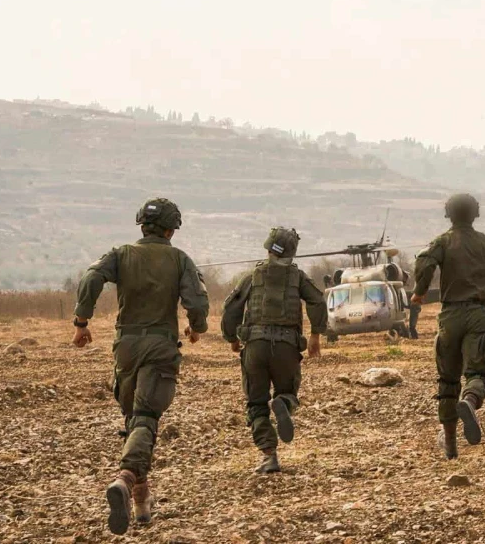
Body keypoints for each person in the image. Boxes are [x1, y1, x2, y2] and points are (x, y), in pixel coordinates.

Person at [72, 198, 209, 535]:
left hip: (126, 348)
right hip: (160, 347)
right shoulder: (180, 259)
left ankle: (142, 504)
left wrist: (81, 320)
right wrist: (197, 327)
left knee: (135, 421)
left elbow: (91, 277)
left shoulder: (120, 254)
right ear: (170, 228)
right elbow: (197, 302)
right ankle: (125, 478)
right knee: (147, 419)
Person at [411, 193, 485, 459]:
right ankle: (468, 402)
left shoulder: (442, 242)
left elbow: (424, 262)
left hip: (450, 315)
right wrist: (484, 287)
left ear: (448, 214)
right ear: (475, 213)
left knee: (447, 380)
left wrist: (419, 291)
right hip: (478, 313)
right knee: (476, 374)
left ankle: (450, 445)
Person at [221, 228, 326, 474]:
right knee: (288, 390)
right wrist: (315, 335)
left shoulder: (252, 276)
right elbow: (318, 301)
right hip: (287, 346)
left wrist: (232, 338)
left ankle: (269, 455)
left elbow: (232, 307)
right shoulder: (298, 277)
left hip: (255, 346)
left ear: (268, 248)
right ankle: (283, 403)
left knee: (256, 402)